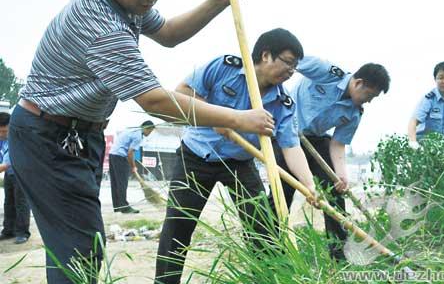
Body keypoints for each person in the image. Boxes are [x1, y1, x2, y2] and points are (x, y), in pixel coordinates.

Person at [8, 0, 274, 283]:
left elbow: (166, 33)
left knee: (83, 247)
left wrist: (216, 1)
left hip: (78, 135)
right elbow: (154, 101)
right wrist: (241, 119)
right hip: (45, 136)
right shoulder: (98, 22)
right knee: (79, 250)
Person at [155, 28, 317, 284]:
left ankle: (265, 278)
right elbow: (182, 92)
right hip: (195, 157)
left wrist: (308, 184)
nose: (290, 71)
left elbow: (290, 145)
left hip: (240, 164)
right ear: (266, 55)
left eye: (294, 67)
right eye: (287, 62)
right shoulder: (225, 67)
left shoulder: (283, 102)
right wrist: (216, 115)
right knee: (178, 228)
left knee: (262, 228)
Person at [269, 56, 390, 261]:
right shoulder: (327, 72)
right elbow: (290, 66)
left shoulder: (355, 112)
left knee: (335, 193)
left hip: (316, 141)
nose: (368, 101)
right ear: (358, 83)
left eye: (373, 98)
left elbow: (338, 144)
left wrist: (341, 176)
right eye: (369, 95)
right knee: (282, 193)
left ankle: (338, 255)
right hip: (287, 135)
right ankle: (270, 251)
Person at [109, 120, 155, 213]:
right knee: (122, 182)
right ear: (146, 128)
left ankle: (117, 206)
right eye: (150, 131)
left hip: (112, 154)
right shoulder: (138, 136)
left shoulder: (132, 129)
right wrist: (133, 167)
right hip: (120, 156)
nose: (149, 134)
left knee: (115, 183)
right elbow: (130, 152)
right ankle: (124, 207)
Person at [0, 112, 31, 244]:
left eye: (4, 131)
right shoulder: (1, 140)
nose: (2, 134)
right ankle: (8, 230)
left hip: (23, 172)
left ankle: (22, 232)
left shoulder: (18, 137)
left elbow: (7, 163)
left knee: (21, 203)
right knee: (9, 202)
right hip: (10, 174)